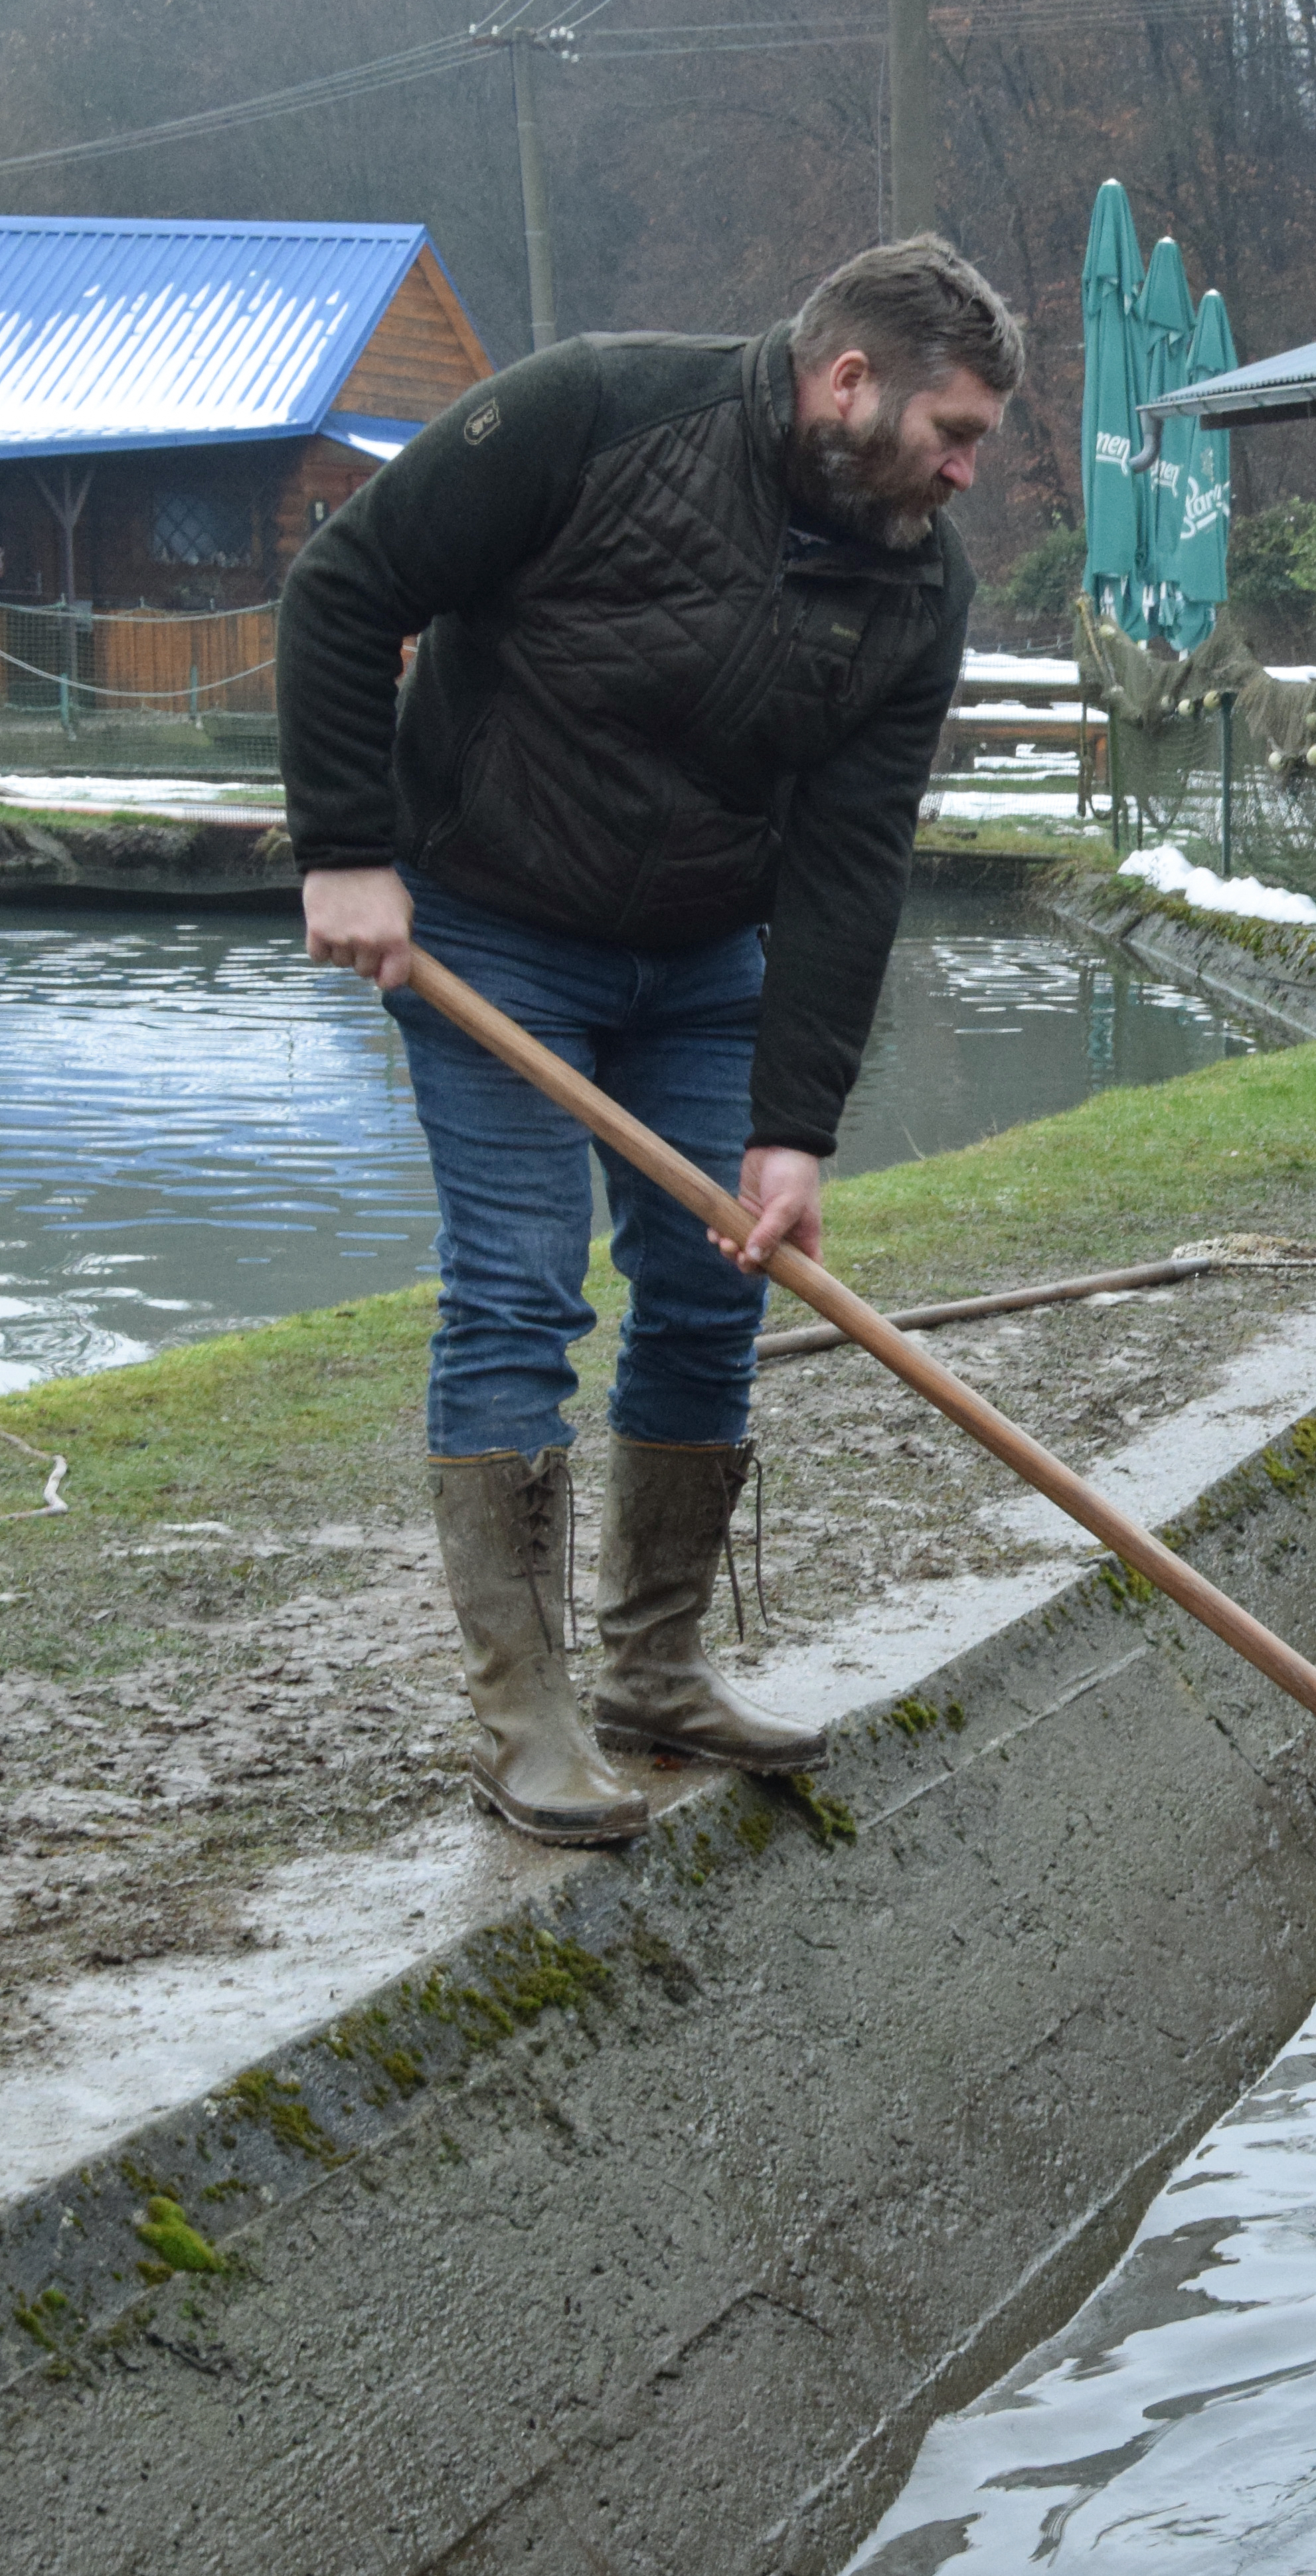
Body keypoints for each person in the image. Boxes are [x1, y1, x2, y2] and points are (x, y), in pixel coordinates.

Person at [280, 236, 1020, 1845]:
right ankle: (524, 1715)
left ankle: (654, 1667)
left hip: (702, 951)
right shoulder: (595, 412)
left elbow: (851, 857)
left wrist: (794, 1126)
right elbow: (346, 590)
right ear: (850, 383)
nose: (968, 470)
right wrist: (347, 848)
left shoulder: (919, 583)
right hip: (488, 923)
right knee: (523, 1282)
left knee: (708, 1280)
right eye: (954, 431)